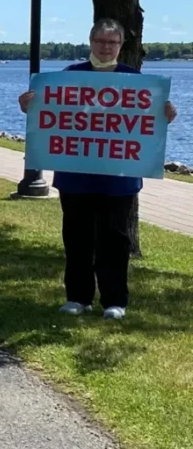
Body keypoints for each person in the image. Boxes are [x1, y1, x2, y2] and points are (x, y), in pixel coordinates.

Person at [18, 18, 178, 320]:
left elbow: (148, 124)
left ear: (120, 46)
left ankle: (115, 301)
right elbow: (48, 115)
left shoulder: (136, 81)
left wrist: (165, 115)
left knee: (115, 240)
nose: (106, 47)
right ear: (91, 42)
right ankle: (78, 297)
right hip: (76, 175)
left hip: (119, 178)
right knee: (77, 238)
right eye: (101, 41)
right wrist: (29, 106)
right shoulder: (69, 77)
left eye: (112, 42)